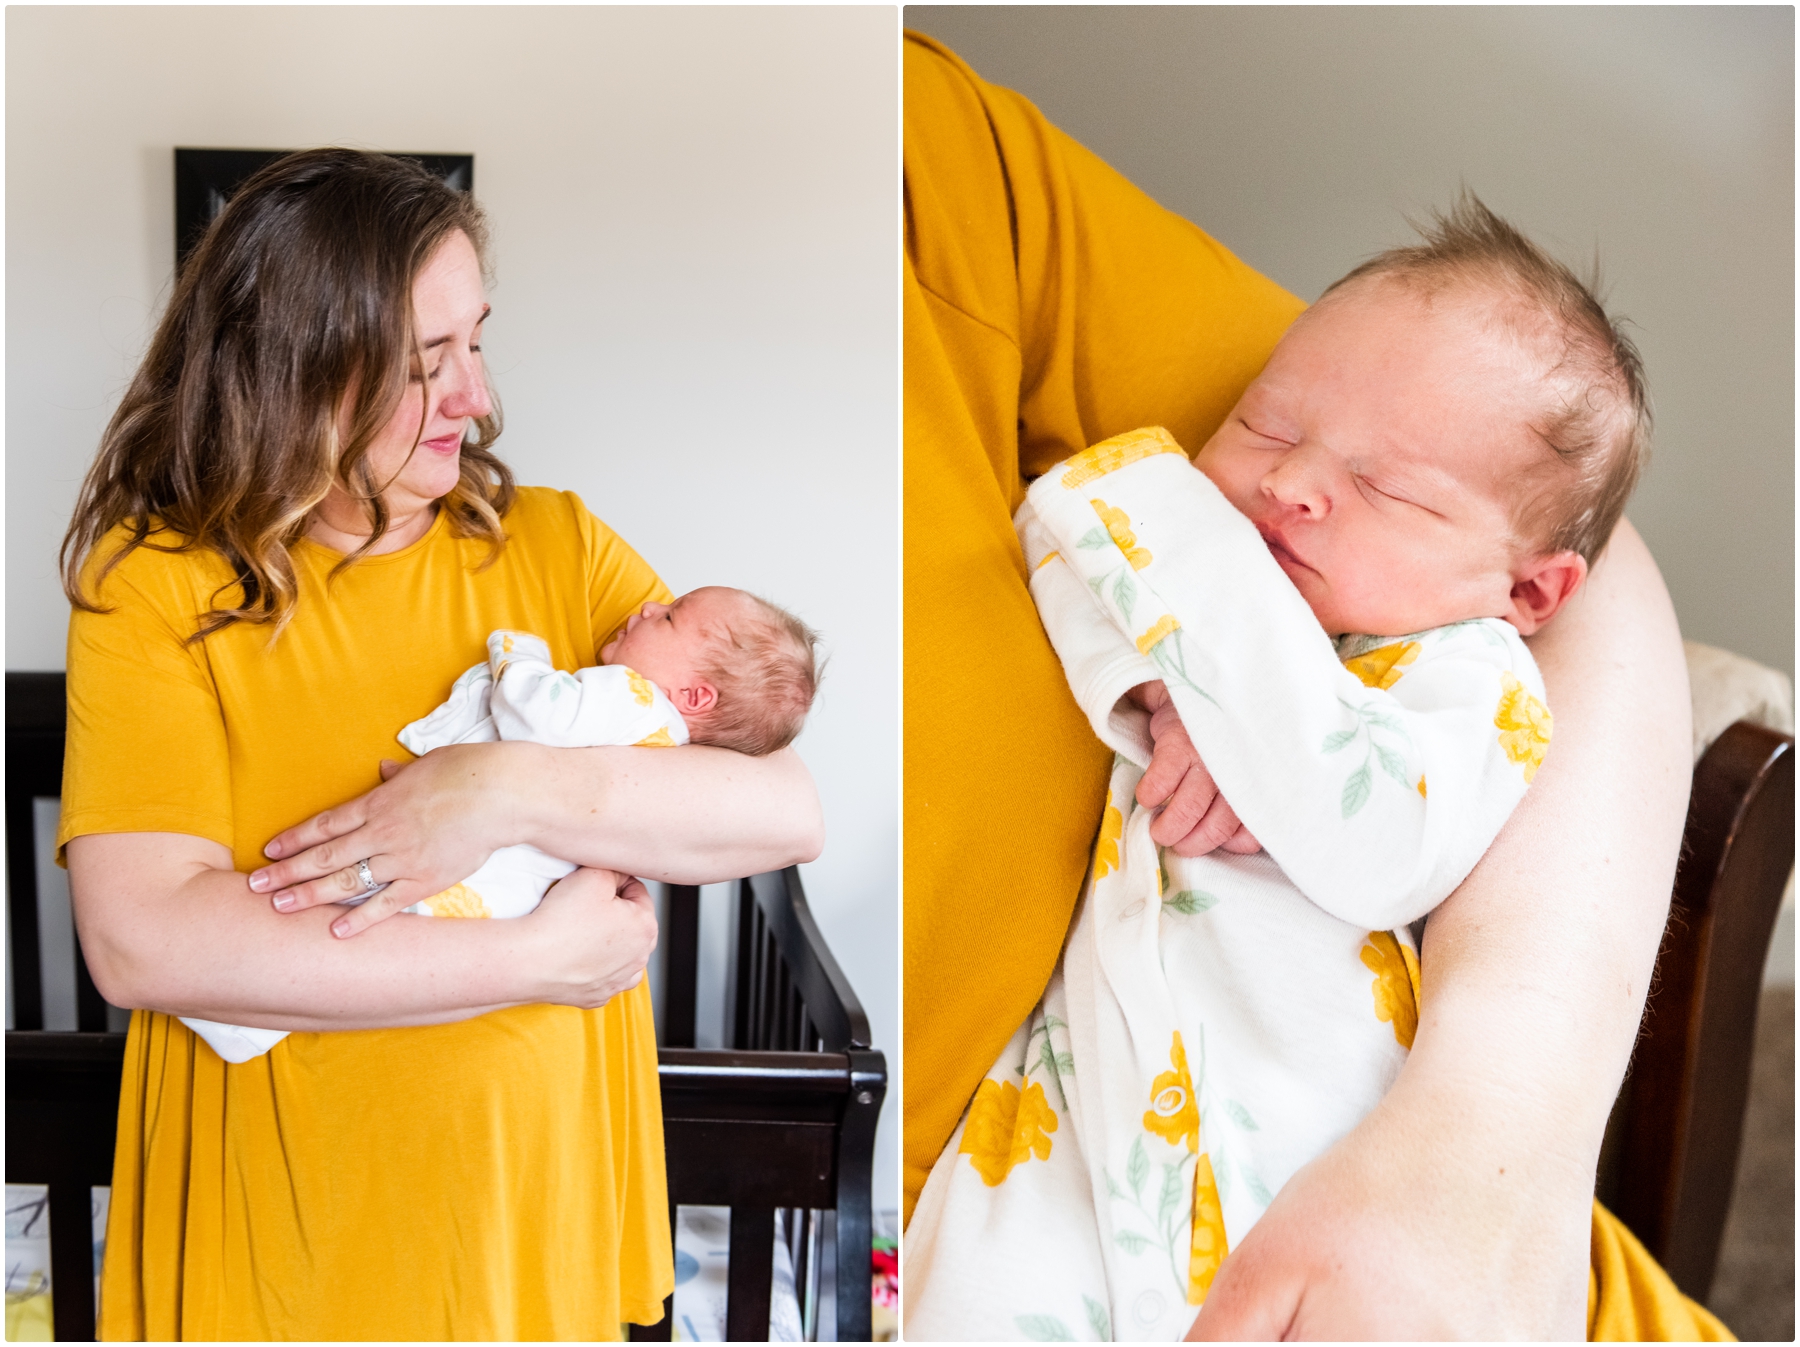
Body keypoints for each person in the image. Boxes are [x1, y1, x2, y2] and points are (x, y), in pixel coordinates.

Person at [903, 32, 1720, 1340]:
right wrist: (1168, 690)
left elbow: (1368, 831)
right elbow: (1061, 533)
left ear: (1525, 593)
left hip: (1306, 1152)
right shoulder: (1235, 628)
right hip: (1060, 1122)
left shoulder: (1473, 682)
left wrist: (1209, 661)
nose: (1288, 483)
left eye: (1386, 488)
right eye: (1269, 425)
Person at [58, 148, 823, 1340]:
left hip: (531, 1203)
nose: (475, 396)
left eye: (476, 341)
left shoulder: (560, 551)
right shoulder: (157, 589)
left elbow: (783, 809)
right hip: (293, 1224)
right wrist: (534, 958)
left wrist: (498, 788)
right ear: (293, 373)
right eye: (425, 364)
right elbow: (140, 940)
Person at [183, 588, 822, 1064]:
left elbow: (537, 714)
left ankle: (244, 1014)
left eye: (671, 616)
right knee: (389, 911)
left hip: (499, 861)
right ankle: (250, 1017)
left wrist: (518, 651)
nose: (650, 604)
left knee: (369, 895)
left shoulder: (629, 698)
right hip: (523, 880)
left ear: (697, 698)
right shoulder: (670, 744)